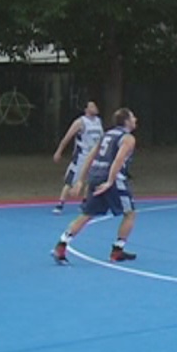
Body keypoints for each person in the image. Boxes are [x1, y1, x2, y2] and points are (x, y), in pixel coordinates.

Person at [52, 108, 140, 264]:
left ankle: (61, 245)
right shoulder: (128, 138)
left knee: (87, 214)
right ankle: (117, 250)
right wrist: (110, 181)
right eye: (133, 117)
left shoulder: (106, 134)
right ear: (126, 121)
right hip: (112, 179)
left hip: (95, 176)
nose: (135, 119)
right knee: (130, 213)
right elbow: (118, 160)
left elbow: (90, 156)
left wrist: (81, 179)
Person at [51, 101, 104, 214]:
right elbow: (67, 137)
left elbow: (101, 139)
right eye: (92, 106)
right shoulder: (80, 122)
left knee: (90, 180)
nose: (95, 107)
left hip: (94, 155)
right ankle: (60, 203)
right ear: (86, 109)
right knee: (71, 180)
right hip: (81, 156)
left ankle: (85, 203)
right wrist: (59, 151)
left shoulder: (98, 121)